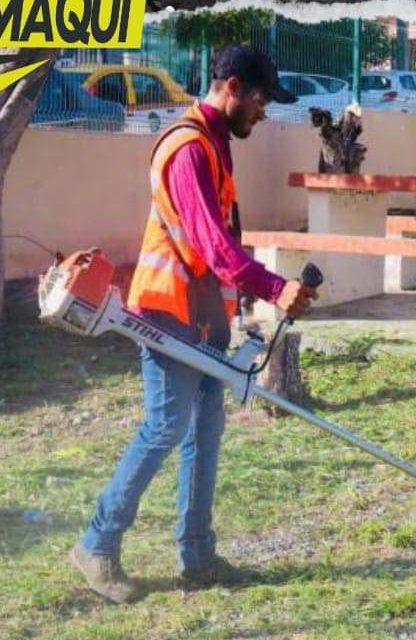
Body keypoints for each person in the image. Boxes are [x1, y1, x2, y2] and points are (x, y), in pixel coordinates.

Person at [69, 45, 319, 604]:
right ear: (232, 86)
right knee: (164, 428)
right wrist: (278, 289)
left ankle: (199, 557)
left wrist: (234, 307)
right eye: (259, 99)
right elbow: (213, 245)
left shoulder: (214, 143)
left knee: (205, 430)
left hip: (203, 315)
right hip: (167, 310)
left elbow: (217, 250)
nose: (264, 111)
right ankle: (97, 544)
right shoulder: (187, 148)